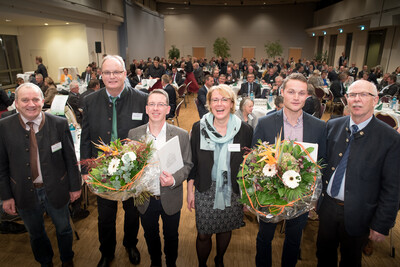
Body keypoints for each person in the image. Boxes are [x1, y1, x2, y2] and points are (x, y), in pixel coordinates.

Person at [316, 80, 400, 266]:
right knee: (323, 256)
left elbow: (392, 188)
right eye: (352, 95)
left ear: (375, 99)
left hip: (360, 213)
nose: (356, 99)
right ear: (346, 99)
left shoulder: (390, 139)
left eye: (363, 95)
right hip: (328, 208)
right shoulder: (333, 125)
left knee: (351, 260)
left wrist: (381, 224)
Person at [0, 83, 81, 266]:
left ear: (42, 101)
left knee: (64, 229)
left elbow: (70, 158)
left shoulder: (59, 124)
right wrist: (6, 197)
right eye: (25, 100)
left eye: (36, 99)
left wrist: (75, 187)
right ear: (16, 103)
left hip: (57, 189)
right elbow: (2, 166)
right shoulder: (4, 127)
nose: (31, 104)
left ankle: (67, 259)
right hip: (23, 193)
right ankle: (45, 262)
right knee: (36, 234)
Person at [253, 73, 327, 267]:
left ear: (307, 97)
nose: (296, 97)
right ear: (282, 93)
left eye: (301, 93)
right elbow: (254, 161)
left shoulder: (319, 127)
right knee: (264, 238)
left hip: (300, 196)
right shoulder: (265, 123)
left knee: (294, 240)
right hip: (269, 195)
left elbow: (321, 162)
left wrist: (315, 198)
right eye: (291, 92)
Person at [80, 55, 147, 267]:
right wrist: (85, 169)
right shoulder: (90, 100)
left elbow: (148, 135)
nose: (112, 76)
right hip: (102, 170)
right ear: (100, 74)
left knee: (132, 212)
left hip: (133, 168)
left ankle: (130, 244)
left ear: (125, 74)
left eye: (117, 72)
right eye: (107, 72)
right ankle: (106, 252)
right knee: (105, 216)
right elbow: (86, 135)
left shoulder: (141, 99)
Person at [187, 84, 253, 267]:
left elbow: (248, 166)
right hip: (205, 187)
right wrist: (189, 191)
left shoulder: (245, 130)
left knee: (226, 228)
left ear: (232, 103)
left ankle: (219, 259)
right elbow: (192, 163)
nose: (220, 104)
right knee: (203, 233)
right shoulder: (199, 127)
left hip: (232, 188)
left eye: (224, 99)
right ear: (209, 103)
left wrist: (248, 196)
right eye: (215, 100)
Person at [128, 89, 193, 267]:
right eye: (152, 104)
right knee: (150, 235)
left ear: (168, 109)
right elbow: (129, 166)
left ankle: (171, 263)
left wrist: (174, 180)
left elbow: (188, 164)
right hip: (145, 198)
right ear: (146, 109)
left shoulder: (180, 135)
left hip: (171, 197)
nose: (156, 108)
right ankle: (155, 262)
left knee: (172, 236)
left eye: (161, 104)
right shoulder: (134, 134)